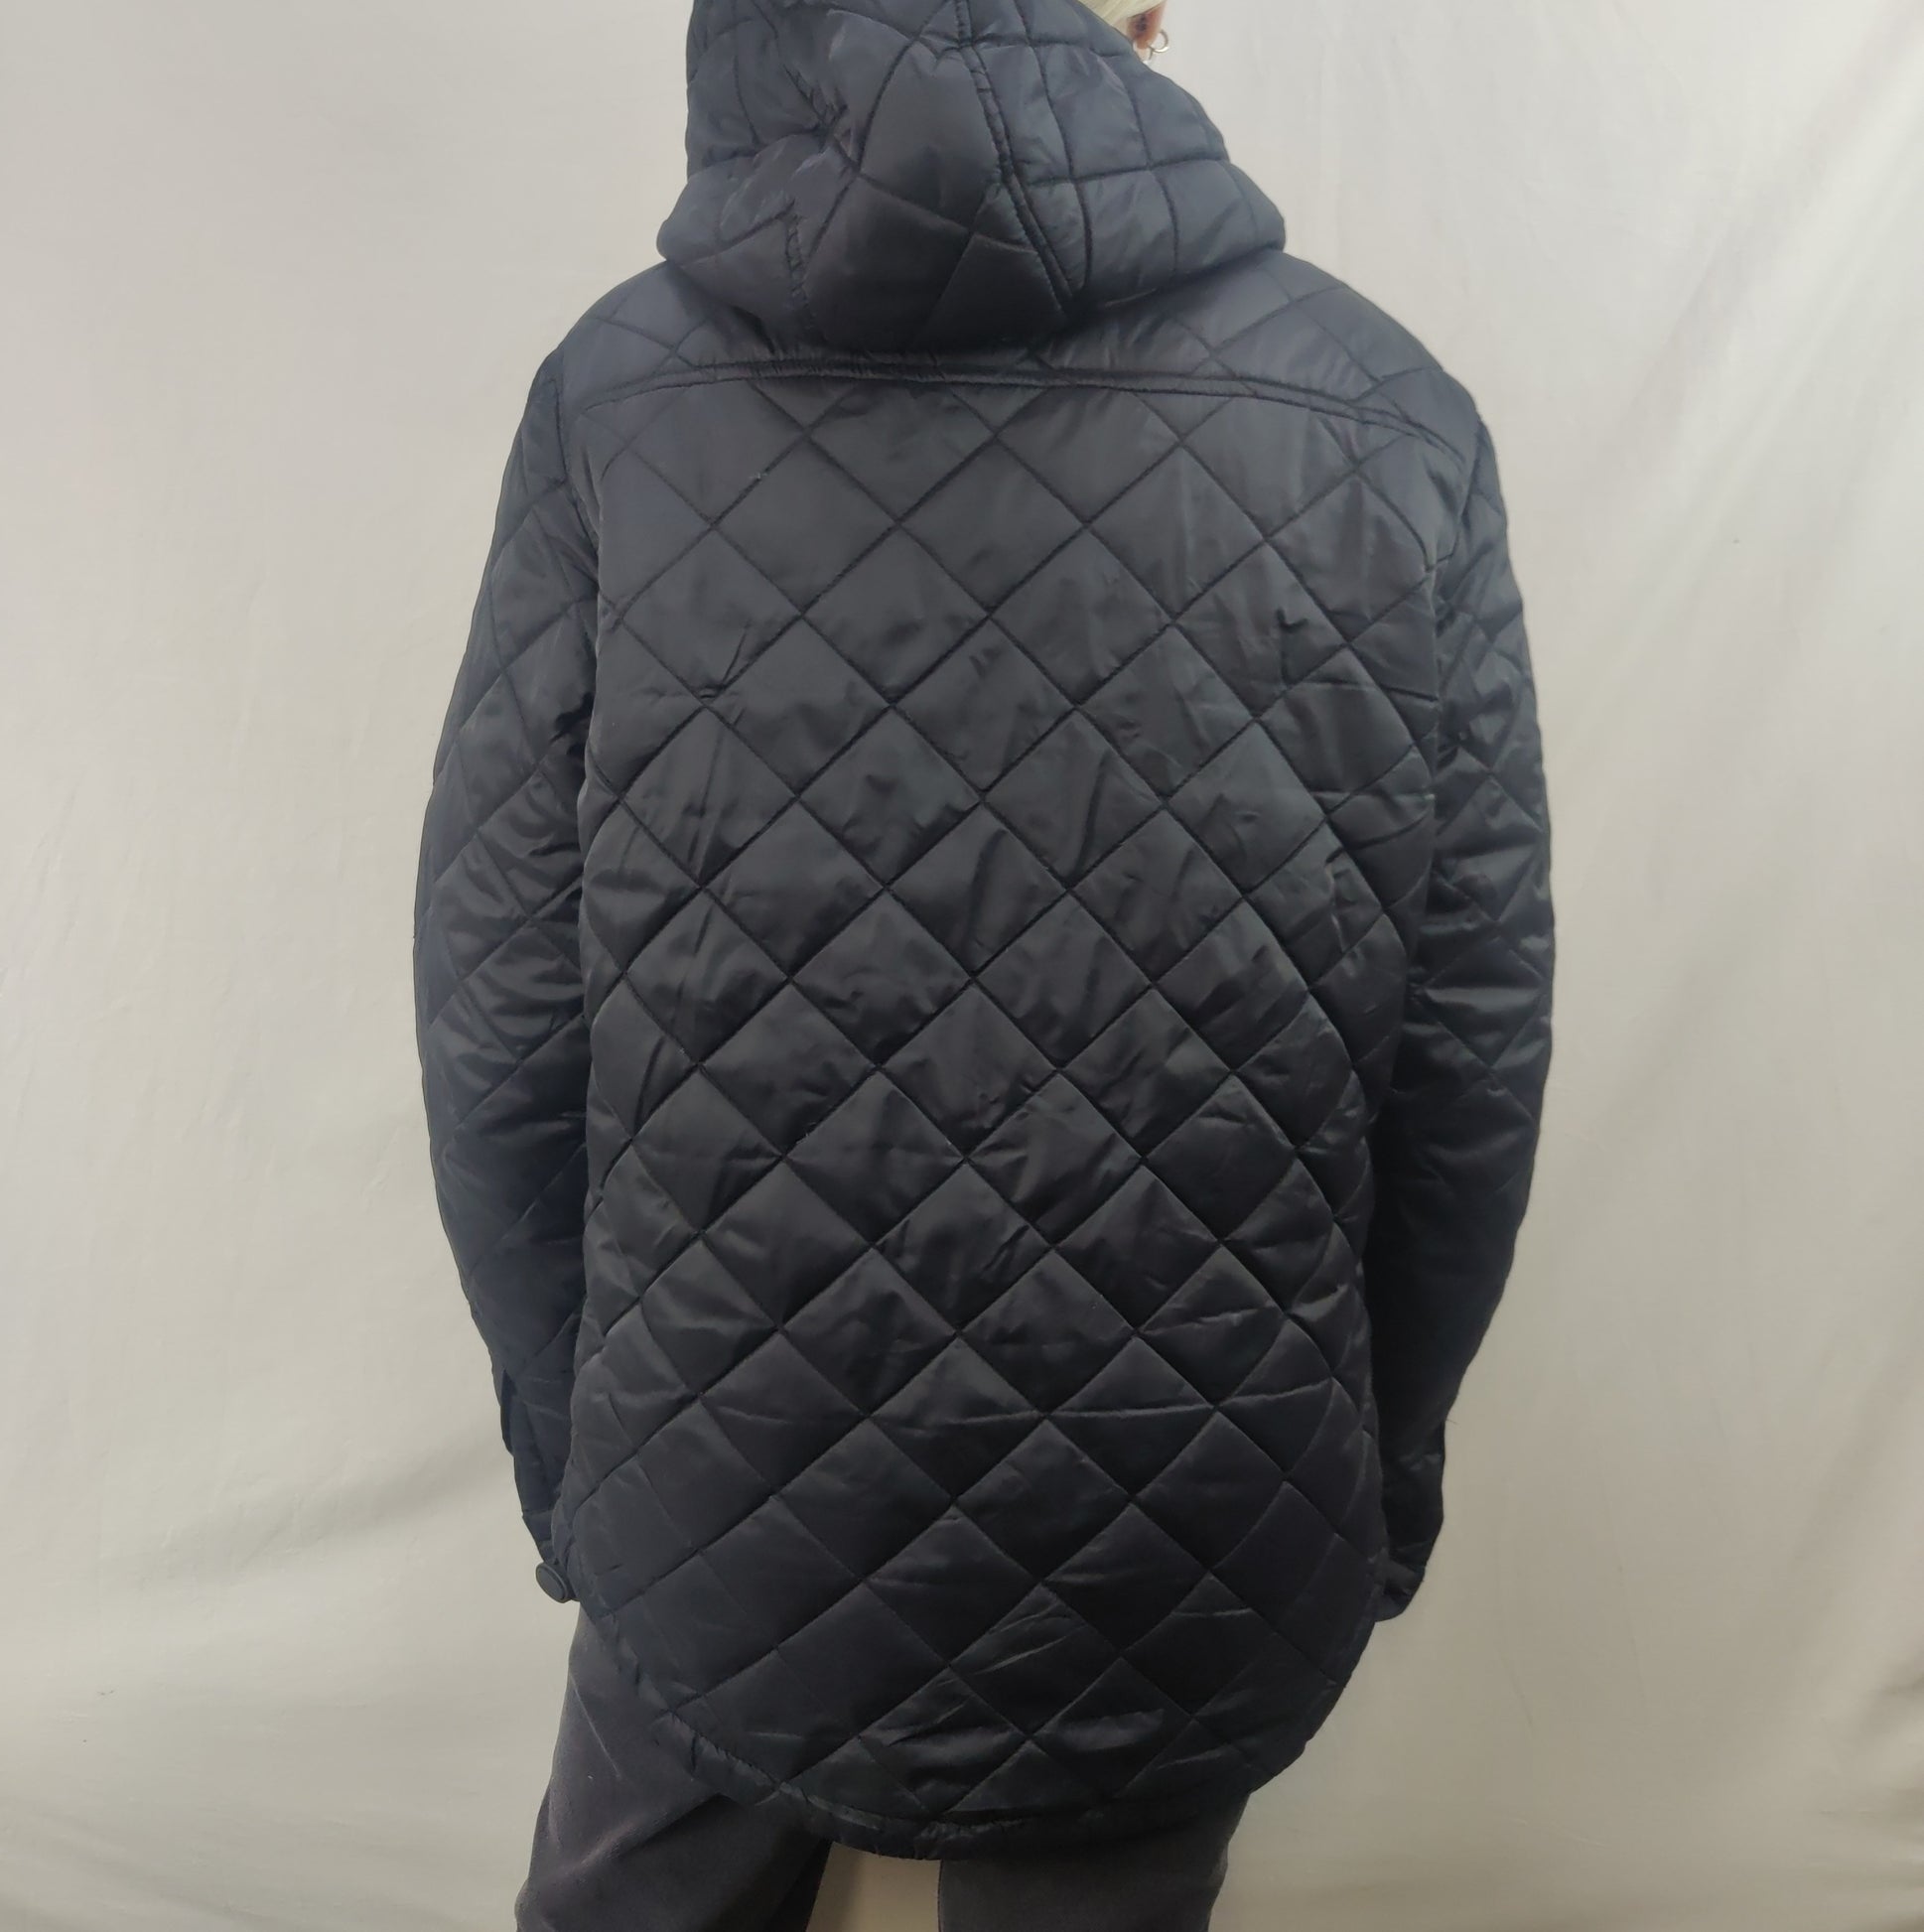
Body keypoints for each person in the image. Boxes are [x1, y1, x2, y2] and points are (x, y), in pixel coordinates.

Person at [413, 0, 1556, 1925]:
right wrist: (1378, 1468)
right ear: (1148, 8)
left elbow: (498, 1009)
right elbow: (1466, 1052)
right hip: (1181, 1508)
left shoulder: (619, 396)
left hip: (717, 1486)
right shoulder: (1387, 413)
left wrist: (578, 1453)